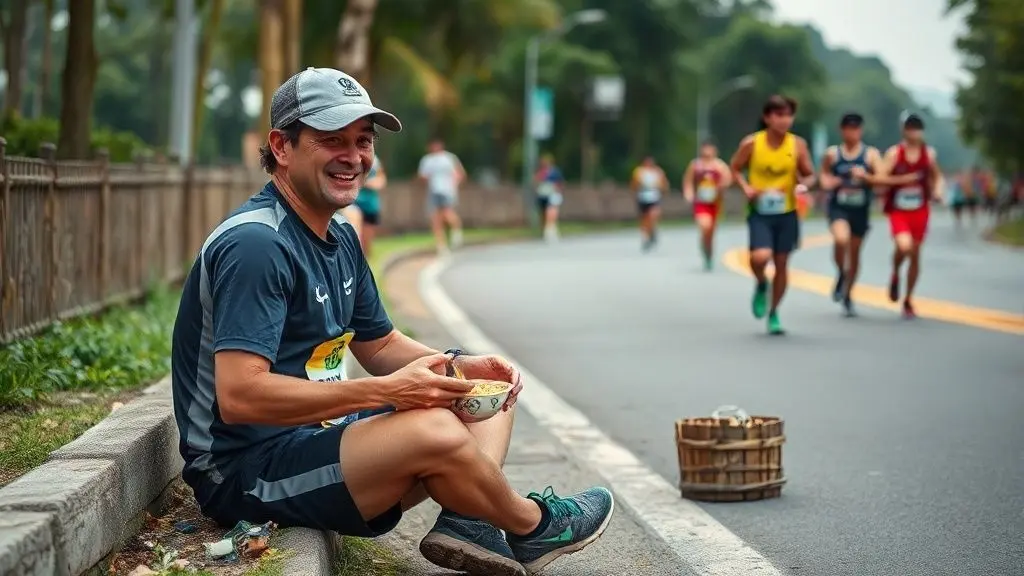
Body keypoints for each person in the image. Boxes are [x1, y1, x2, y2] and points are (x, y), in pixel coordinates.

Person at [170, 67, 614, 576]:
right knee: (434, 430)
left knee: (481, 396)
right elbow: (240, 395)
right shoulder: (257, 245)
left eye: (362, 141)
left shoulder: (337, 239)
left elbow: (379, 345)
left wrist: (458, 364)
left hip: (316, 437)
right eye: (331, 140)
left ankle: (468, 522)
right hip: (245, 473)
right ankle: (533, 526)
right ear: (282, 146)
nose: (353, 157)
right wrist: (386, 393)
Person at [729, 95, 815, 335]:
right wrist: (746, 187)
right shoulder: (752, 144)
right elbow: (735, 168)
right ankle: (760, 283)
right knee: (759, 257)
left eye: (788, 115)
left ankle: (774, 312)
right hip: (760, 211)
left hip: (786, 212)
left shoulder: (797, 145)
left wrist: (803, 185)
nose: (784, 120)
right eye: (778, 115)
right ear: (767, 118)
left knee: (781, 264)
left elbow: (810, 174)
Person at [871, 114, 943, 319]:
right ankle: (895, 272)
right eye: (910, 127)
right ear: (903, 130)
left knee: (915, 253)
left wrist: (938, 191)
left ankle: (909, 298)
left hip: (920, 209)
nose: (914, 131)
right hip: (899, 210)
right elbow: (880, 178)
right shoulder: (895, 153)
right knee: (904, 246)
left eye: (917, 128)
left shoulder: (928, 154)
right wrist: (903, 179)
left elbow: (937, 177)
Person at [818, 112, 879, 317]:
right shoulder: (832, 154)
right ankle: (841, 273)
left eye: (855, 128)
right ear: (841, 130)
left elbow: (881, 178)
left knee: (854, 254)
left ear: (860, 130)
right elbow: (824, 175)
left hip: (860, 209)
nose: (851, 132)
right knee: (840, 239)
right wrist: (829, 182)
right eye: (847, 128)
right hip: (839, 206)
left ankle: (848, 293)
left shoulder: (870, 154)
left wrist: (866, 177)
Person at [682, 140, 731, 270]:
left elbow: (728, 179)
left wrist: (721, 186)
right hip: (701, 202)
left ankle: (708, 252)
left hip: (715, 203)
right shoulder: (695, 165)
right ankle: (705, 246)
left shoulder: (719, 166)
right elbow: (688, 181)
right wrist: (689, 194)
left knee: (711, 231)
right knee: (705, 225)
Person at [418, 139, 466, 256]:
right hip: (434, 190)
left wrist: (455, 183)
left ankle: (456, 232)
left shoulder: (449, 158)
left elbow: (460, 173)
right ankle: (441, 245)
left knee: (447, 213)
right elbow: (423, 176)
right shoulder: (427, 160)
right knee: (435, 219)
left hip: (447, 191)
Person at [349, 153, 387, 258]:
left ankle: (364, 268)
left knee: (367, 244)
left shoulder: (375, 160)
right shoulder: (350, 156)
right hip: (354, 203)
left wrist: (368, 183)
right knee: (356, 238)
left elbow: (382, 180)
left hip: (370, 205)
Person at [631, 156, 668, 252]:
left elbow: (664, 183)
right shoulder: (639, 172)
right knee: (644, 220)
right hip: (643, 197)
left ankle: (653, 231)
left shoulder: (657, 172)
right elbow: (633, 184)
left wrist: (662, 189)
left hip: (654, 197)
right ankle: (646, 238)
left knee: (653, 216)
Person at [534, 154, 565, 242]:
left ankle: (550, 229)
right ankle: (544, 230)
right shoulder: (541, 172)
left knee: (551, 212)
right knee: (543, 212)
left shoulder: (555, 172)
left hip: (552, 194)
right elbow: (536, 181)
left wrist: (558, 190)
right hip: (542, 194)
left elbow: (560, 182)